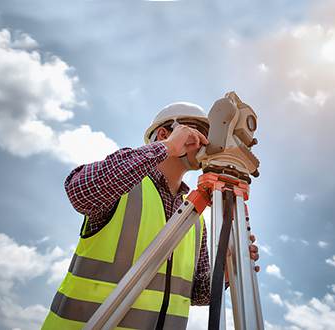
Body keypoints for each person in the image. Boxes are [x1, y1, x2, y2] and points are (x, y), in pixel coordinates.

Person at [42, 102, 260, 329]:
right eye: (197, 131)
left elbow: (198, 293)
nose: (207, 140)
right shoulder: (126, 184)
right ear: (164, 133)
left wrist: (228, 266)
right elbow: (81, 192)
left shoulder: (195, 217)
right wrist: (166, 147)